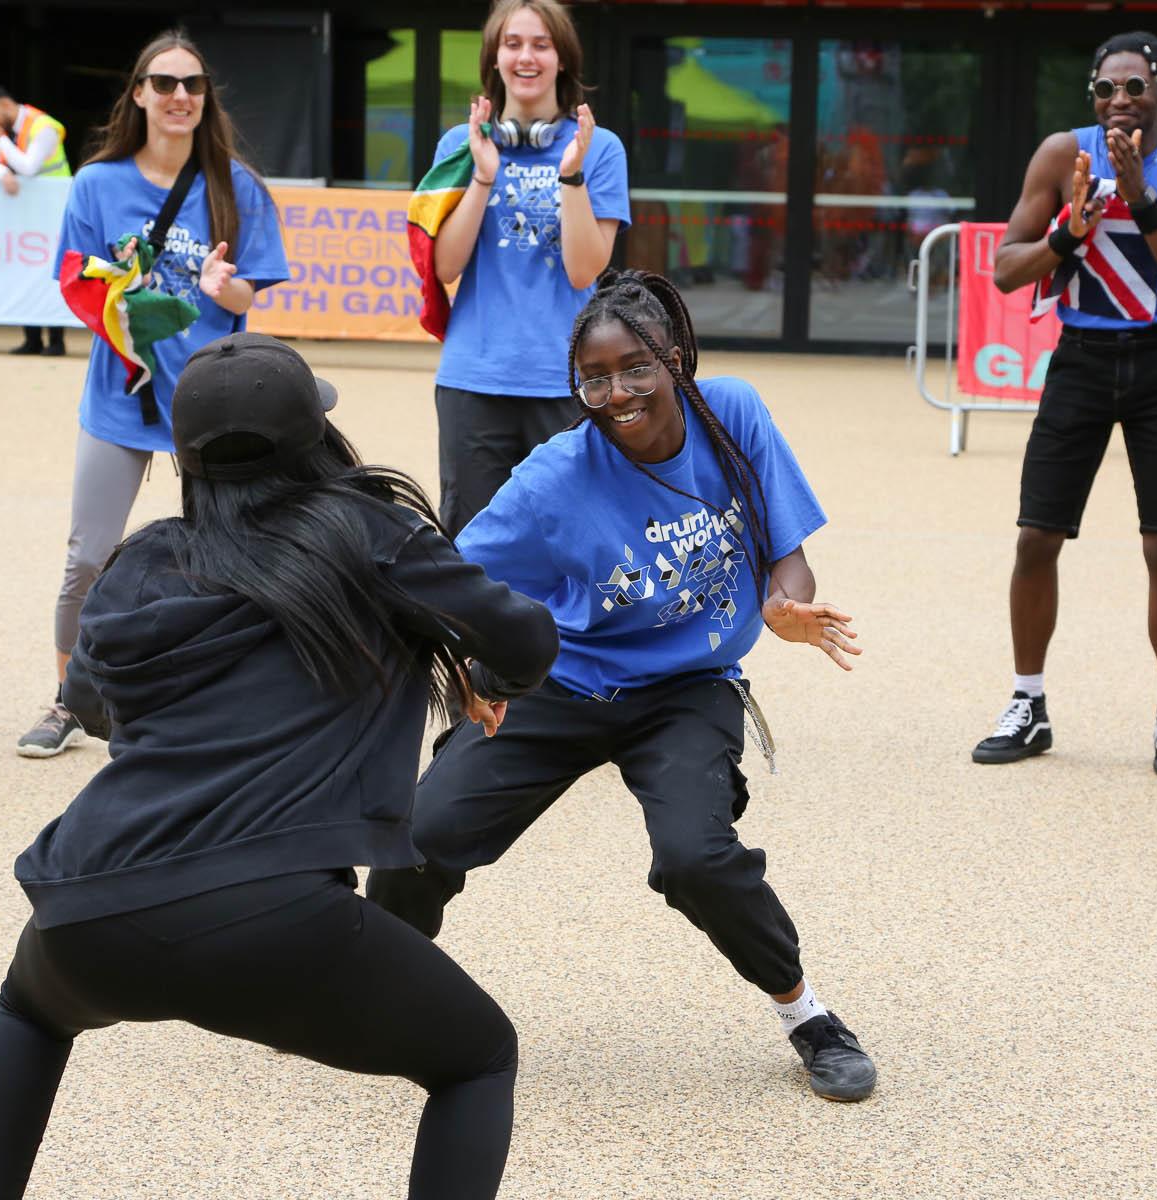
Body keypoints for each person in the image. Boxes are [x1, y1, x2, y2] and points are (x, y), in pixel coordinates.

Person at [0, 333, 559, 1199]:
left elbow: (90, 704)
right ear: (317, 438)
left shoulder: (142, 562)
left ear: (184, 460)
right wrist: (459, 655)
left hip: (89, 903)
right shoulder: (367, 531)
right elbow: (529, 640)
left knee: (30, 1012)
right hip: (272, 914)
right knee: (478, 1059)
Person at [368, 270, 879, 1103]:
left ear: (673, 358)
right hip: (562, 684)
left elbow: (786, 548)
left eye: (635, 367)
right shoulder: (554, 477)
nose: (618, 392)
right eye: (595, 377)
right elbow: (448, 578)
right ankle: (362, 985)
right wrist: (463, 672)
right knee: (420, 837)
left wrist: (785, 604)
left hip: (688, 687)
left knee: (696, 858)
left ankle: (809, 1018)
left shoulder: (734, 412)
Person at [15, 31, 288, 758]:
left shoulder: (240, 188)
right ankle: (70, 699)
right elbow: (76, 283)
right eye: (163, 83)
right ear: (137, 93)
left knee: (230, 556)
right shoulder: (97, 186)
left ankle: (221, 699)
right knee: (89, 555)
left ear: (206, 97)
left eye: (192, 85)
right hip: (122, 398)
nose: (178, 97)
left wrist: (228, 290)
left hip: (211, 401)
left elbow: (249, 290)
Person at [974, 31, 1157, 778]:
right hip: (1079, 359)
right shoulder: (1062, 154)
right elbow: (1007, 270)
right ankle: (1027, 704)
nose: (1120, 102)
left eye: (1136, 88)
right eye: (1106, 89)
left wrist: (1143, 196)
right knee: (1036, 539)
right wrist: (1069, 229)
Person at [428, 0, 629, 537]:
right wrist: (482, 176)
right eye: (513, 43)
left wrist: (571, 177)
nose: (526, 56)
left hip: (563, 378)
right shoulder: (460, 144)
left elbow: (585, 271)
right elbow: (445, 265)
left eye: (541, 44)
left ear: (562, 59)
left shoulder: (599, 149)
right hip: (475, 379)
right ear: (494, 58)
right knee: (473, 543)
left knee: (568, 534)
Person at [0, 84, 71, 357]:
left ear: (5, 104)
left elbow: (28, 167)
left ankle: (56, 339)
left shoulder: (43, 126)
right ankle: (31, 338)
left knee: (52, 274)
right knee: (23, 271)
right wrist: (1, 174)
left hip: (54, 212)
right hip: (25, 216)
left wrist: (1, 138)